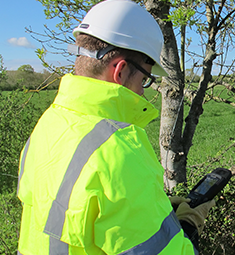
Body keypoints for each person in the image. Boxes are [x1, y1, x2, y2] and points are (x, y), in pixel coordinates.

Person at [16, 0, 214, 254]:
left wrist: (151, 207)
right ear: (120, 71)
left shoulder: (48, 124)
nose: (143, 91)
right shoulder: (120, 150)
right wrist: (187, 225)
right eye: (145, 79)